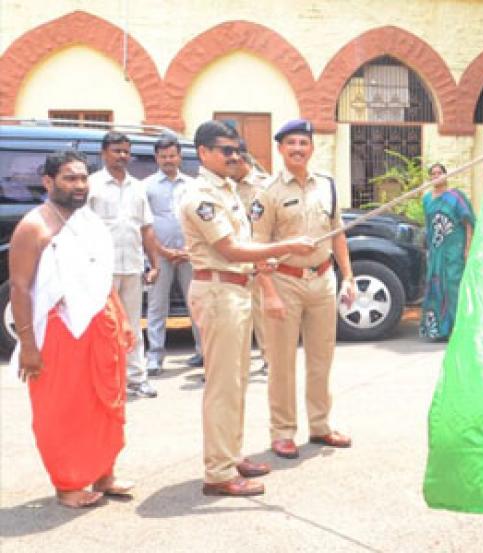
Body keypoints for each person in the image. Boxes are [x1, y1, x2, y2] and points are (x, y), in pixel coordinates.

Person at [180, 120, 315, 496]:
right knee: (223, 385)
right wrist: (284, 249)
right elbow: (229, 249)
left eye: (237, 149)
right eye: (226, 150)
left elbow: (242, 247)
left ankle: (231, 455)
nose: (234, 156)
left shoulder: (228, 190)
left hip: (236, 288)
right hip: (218, 291)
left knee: (236, 381)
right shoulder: (202, 196)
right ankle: (218, 473)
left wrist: (262, 262)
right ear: (203, 152)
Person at [9, 150, 136, 508]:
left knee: (105, 403)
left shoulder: (89, 221)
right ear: (48, 182)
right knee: (62, 410)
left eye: (83, 178)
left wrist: (122, 320)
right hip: (57, 331)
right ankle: (67, 484)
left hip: (101, 326)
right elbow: (19, 289)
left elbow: (100, 278)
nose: (79, 185)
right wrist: (29, 347)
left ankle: (104, 473)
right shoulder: (34, 227)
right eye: (69, 178)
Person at [250, 119, 354, 459]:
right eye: (291, 143)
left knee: (321, 359)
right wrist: (269, 291)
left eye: (303, 143)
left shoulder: (327, 185)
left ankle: (321, 426)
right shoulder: (267, 192)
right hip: (285, 280)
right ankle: (282, 432)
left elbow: (337, 233)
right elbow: (258, 246)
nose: (298, 148)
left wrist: (348, 277)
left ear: (311, 148)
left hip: (322, 279)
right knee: (281, 362)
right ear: (280, 149)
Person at [88, 131, 162, 399]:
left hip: (132, 266)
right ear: (103, 153)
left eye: (126, 151)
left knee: (131, 324)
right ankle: (104, 381)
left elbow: (146, 228)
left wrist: (154, 264)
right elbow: (81, 228)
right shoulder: (91, 185)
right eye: (116, 151)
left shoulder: (138, 187)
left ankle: (136, 379)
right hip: (100, 269)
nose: (122, 156)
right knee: (102, 326)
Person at [144, 134, 203, 375]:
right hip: (159, 255)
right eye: (163, 156)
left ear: (180, 156)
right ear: (156, 158)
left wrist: (189, 250)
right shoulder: (146, 186)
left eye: (172, 155)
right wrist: (162, 251)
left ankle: (203, 352)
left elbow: (201, 219)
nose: (168, 160)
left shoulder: (193, 185)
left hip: (191, 254)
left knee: (197, 303)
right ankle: (155, 357)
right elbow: (144, 224)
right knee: (157, 306)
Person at [419, 162, 474, 340]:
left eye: (439, 173)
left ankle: (457, 329)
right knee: (436, 287)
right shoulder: (427, 199)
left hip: (454, 249)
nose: (436, 176)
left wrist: (467, 248)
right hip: (436, 251)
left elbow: (468, 222)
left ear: (446, 175)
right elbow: (428, 226)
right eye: (433, 174)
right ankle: (438, 330)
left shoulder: (455, 197)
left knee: (453, 287)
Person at [231, 142, 271, 375]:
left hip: (258, 254)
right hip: (233, 255)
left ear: (242, 161)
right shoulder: (226, 187)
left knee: (261, 311)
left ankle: (268, 359)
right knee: (237, 311)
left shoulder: (264, 185)